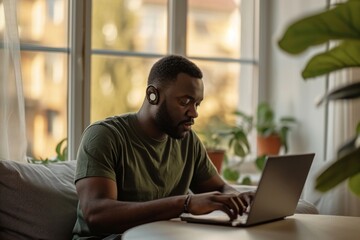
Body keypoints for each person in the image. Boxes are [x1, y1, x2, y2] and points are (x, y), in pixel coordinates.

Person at [72, 55, 254, 239]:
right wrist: (185, 204)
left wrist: (239, 199)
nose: (194, 113)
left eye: (197, 103)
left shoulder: (188, 141)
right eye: (185, 101)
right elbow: (96, 214)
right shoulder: (104, 136)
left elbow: (221, 189)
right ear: (153, 95)